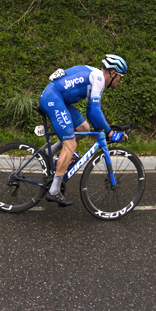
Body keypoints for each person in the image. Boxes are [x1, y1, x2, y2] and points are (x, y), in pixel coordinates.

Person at [39, 54, 128, 206]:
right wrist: (110, 133)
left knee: (83, 128)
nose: (120, 81)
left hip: (59, 98)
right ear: (113, 73)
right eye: (121, 77)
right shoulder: (99, 79)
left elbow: (90, 113)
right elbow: (95, 112)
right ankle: (53, 191)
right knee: (71, 145)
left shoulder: (95, 78)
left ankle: (49, 153)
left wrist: (102, 130)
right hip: (54, 98)